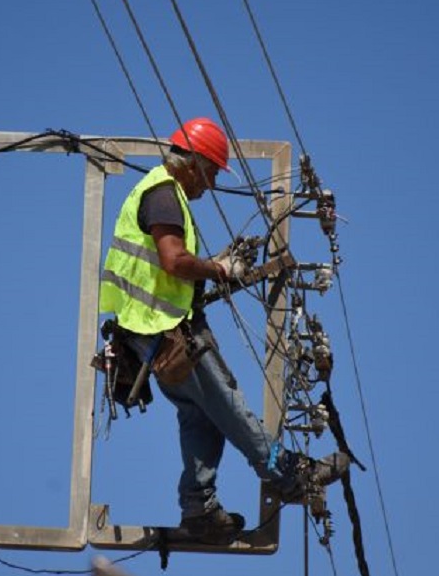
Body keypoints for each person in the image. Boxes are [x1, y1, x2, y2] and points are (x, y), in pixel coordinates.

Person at [99, 117, 349, 543]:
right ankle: (288, 474)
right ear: (192, 162)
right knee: (226, 402)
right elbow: (174, 261)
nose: (211, 183)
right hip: (166, 331)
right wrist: (218, 269)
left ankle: (199, 509)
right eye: (212, 171)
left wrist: (214, 268)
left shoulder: (161, 192)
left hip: (149, 335)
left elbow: (169, 270)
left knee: (202, 417)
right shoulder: (164, 194)